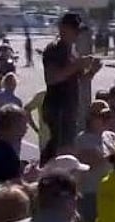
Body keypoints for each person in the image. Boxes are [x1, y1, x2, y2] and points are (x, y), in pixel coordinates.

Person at [41, 12, 101, 165]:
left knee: (65, 144)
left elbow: (81, 79)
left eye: (78, 30)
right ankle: (48, 173)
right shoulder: (54, 49)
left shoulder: (72, 51)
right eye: (74, 30)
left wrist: (92, 70)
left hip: (69, 106)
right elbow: (52, 78)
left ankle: (52, 171)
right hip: (57, 105)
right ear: (63, 29)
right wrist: (77, 65)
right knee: (60, 146)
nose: (77, 34)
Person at [74, 100, 115, 222]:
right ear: (92, 118)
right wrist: (114, 156)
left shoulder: (110, 136)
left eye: (108, 116)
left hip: (110, 193)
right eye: (103, 117)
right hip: (91, 193)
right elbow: (88, 161)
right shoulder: (83, 139)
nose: (107, 120)